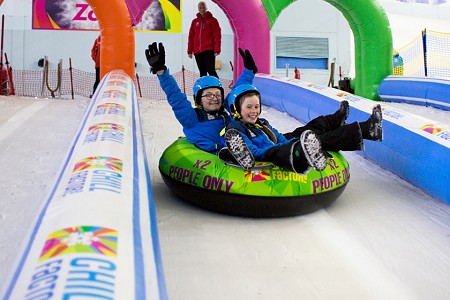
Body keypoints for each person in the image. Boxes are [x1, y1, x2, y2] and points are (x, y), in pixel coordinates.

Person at [224, 84, 383, 173]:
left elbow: (280, 137)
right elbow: (254, 151)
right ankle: (366, 130)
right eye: (249, 107)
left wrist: (293, 141)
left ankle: (335, 121)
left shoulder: (262, 122)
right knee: (317, 141)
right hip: (269, 153)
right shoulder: (237, 129)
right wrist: (290, 146)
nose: (254, 111)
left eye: (257, 106)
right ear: (236, 108)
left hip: (278, 145)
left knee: (305, 131)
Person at [145, 42, 258, 154]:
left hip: (239, 154)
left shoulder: (226, 110)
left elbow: (237, 92)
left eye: (218, 94)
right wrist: (162, 73)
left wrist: (249, 71)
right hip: (212, 158)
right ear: (199, 99)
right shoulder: (192, 118)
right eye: (209, 95)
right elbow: (176, 98)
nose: (215, 98)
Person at [187, 1, 221, 78]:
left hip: (209, 49)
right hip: (197, 51)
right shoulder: (195, 21)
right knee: (202, 71)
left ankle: (218, 87)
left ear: (206, 8)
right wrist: (189, 50)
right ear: (198, 9)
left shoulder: (213, 20)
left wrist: (217, 50)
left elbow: (217, 35)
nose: (202, 9)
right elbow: (191, 36)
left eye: (203, 7)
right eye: (200, 7)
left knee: (210, 70)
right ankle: (204, 88)